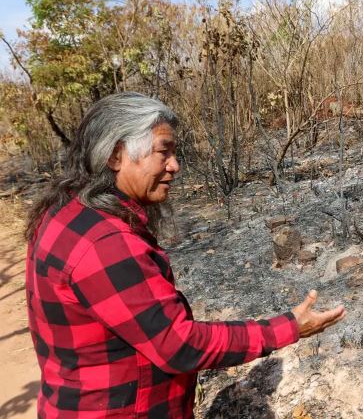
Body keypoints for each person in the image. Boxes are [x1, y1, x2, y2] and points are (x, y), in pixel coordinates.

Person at [24, 92, 346, 418]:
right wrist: (288, 327)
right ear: (116, 155)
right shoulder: (105, 243)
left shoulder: (66, 210)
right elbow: (178, 345)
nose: (174, 165)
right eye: (163, 151)